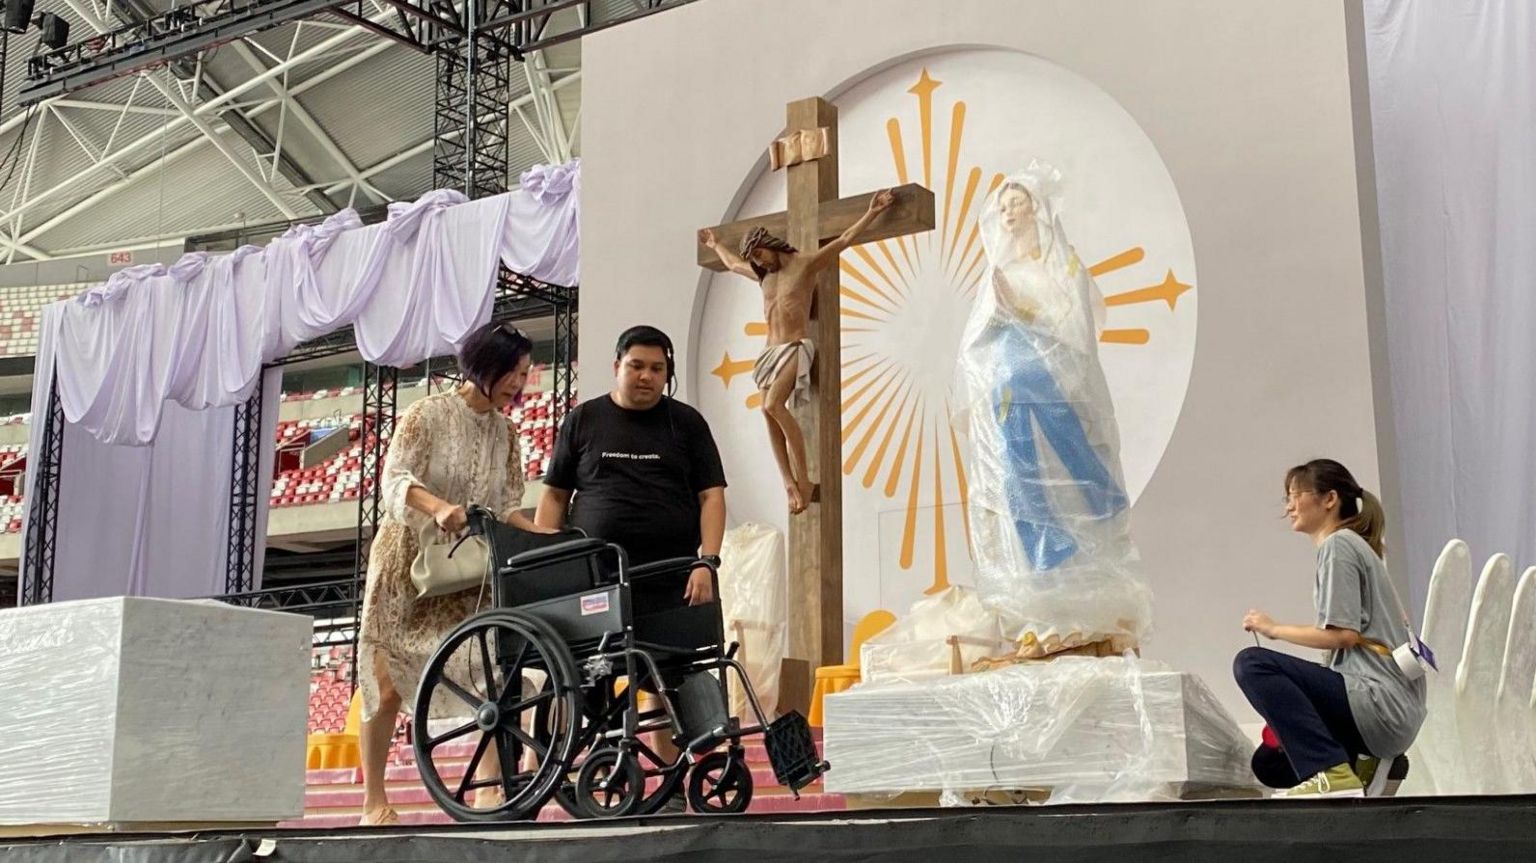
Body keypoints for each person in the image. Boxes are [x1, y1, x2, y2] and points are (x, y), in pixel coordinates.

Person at [355, 321, 555, 825]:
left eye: (524, 374)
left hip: (467, 567)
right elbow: (396, 479)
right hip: (406, 562)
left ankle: (489, 789)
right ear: (482, 365)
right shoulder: (426, 414)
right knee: (386, 682)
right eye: (511, 371)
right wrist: (439, 506)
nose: (517, 382)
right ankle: (373, 800)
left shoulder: (507, 433)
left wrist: (536, 533)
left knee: (486, 665)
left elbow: (508, 504)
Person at [954, 161, 1148, 660]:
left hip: (1049, 381)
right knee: (1019, 481)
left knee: (1070, 456)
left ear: (1037, 208)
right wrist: (1001, 315)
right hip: (1008, 387)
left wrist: (1023, 311)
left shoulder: (1060, 264)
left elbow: (1073, 325)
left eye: (1017, 204)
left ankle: (1093, 525)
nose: (1009, 213)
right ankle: (1043, 559)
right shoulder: (1001, 272)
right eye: (1002, 207)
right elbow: (978, 342)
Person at [1235, 458, 1427, 798]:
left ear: (1329, 499)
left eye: (1297, 494)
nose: (1290, 505)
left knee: (1253, 664)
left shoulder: (1339, 546)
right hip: (1390, 710)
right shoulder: (1357, 547)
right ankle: (1368, 763)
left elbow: (1344, 635)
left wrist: (1273, 628)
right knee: (1270, 764)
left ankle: (1333, 772)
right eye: (1287, 498)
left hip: (1377, 702)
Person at [698, 189, 894, 515]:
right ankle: (788, 480)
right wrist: (715, 244)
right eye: (755, 259)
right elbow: (733, 265)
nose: (759, 262)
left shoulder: (803, 265)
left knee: (774, 404)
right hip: (769, 353)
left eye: (761, 255)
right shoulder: (764, 277)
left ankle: (804, 477)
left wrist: (872, 212)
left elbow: (843, 240)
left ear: (771, 246)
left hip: (794, 346)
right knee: (766, 411)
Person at [535, 325, 725, 604]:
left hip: (675, 578)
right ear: (617, 366)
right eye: (636, 366)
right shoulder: (583, 419)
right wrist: (549, 563)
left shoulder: (688, 423)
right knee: (598, 649)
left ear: (667, 374)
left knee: (671, 648)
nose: (646, 376)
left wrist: (707, 562)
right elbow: (554, 495)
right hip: (595, 577)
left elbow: (712, 496)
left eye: (657, 369)